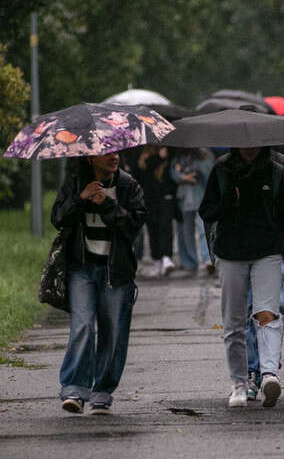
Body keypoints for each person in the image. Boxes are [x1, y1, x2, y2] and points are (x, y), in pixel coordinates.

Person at [199, 146, 284, 408]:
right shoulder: (221, 168)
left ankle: (269, 374)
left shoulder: (276, 170)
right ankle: (239, 382)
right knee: (234, 322)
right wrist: (227, 201)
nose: (250, 148)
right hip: (231, 253)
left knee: (268, 314)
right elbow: (206, 211)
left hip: (268, 252)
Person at [51, 151, 146, 414]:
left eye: (116, 151)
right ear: (90, 158)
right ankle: (74, 389)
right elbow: (58, 219)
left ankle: (102, 392)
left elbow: (134, 226)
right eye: (105, 153)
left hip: (115, 270)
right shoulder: (74, 182)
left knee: (112, 330)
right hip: (81, 267)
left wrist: (106, 204)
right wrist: (80, 200)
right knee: (82, 325)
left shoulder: (129, 185)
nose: (113, 157)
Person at [171, 147, 215, 275]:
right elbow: (173, 173)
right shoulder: (178, 157)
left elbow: (209, 175)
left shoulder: (205, 156)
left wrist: (195, 173)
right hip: (184, 198)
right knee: (185, 231)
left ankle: (208, 259)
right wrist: (184, 177)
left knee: (203, 230)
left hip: (201, 196)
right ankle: (190, 262)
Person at [137, 145, 178, 276]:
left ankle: (166, 257)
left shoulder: (169, 154)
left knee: (165, 227)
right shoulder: (144, 157)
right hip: (150, 199)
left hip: (165, 197)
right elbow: (142, 174)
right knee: (153, 228)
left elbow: (172, 176)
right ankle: (157, 260)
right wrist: (158, 158)